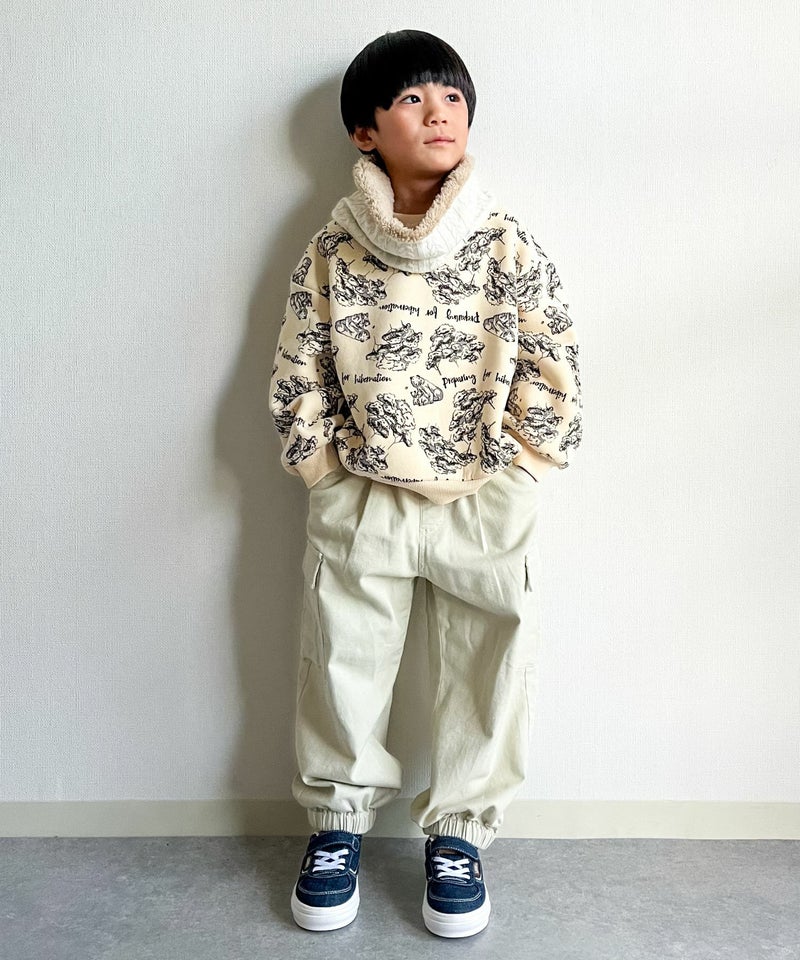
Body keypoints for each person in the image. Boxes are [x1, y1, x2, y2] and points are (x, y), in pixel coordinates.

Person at [268, 29, 582, 939]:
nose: (439, 112)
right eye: (412, 98)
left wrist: (524, 463)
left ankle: (460, 838)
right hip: (362, 489)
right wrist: (321, 468)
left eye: (452, 97)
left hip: (484, 492)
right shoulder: (334, 248)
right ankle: (336, 827)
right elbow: (298, 362)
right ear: (365, 131)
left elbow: (554, 359)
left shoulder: (505, 241)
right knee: (342, 656)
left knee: (490, 661)